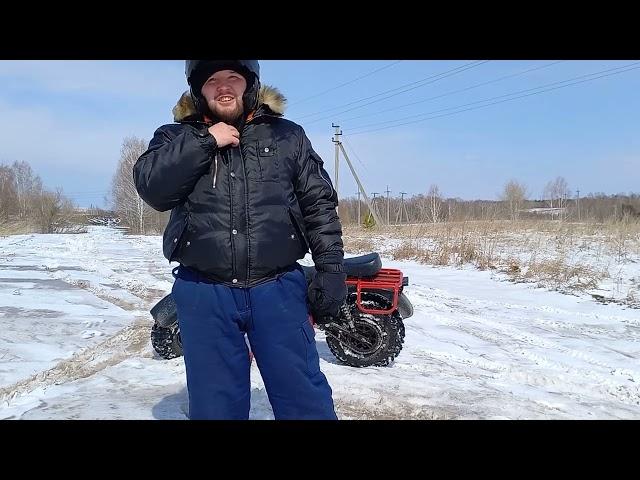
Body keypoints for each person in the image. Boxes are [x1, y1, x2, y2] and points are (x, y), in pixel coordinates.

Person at [133, 60, 347, 420]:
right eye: (212, 80)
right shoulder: (174, 137)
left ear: (250, 83)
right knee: (215, 407)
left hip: (277, 289)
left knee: (304, 399)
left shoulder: (286, 136)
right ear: (198, 90)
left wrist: (331, 270)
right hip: (205, 293)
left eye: (233, 77)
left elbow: (319, 206)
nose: (224, 87)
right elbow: (153, 189)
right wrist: (206, 141)